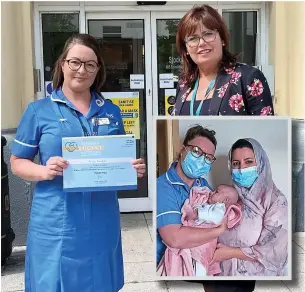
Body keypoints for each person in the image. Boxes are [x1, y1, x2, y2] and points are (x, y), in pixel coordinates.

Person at [10, 34, 146, 292]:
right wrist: (44, 170)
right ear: (62, 64)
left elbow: (118, 158)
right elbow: (17, 162)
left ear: (98, 70)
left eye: (90, 64)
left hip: (101, 219)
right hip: (56, 221)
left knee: (100, 282)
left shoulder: (110, 110)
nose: (82, 70)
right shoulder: (39, 111)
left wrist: (133, 169)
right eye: (75, 62)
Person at [156, 125, 226, 291]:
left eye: (208, 157)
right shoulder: (163, 187)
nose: (202, 159)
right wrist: (218, 231)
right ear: (182, 150)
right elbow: (174, 238)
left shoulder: (202, 184)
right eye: (196, 151)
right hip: (175, 265)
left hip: (202, 257)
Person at [174, 4, 274, 116]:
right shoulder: (184, 83)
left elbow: (266, 130)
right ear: (186, 48)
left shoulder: (248, 78)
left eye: (208, 34)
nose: (201, 43)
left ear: (222, 39)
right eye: (193, 38)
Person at [212, 138, 288, 277]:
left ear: (260, 163)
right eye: (236, 163)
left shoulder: (275, 201)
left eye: (248, 162)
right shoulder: (228, 196)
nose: (241, 169)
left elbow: (275, 250)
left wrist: (229, 252)